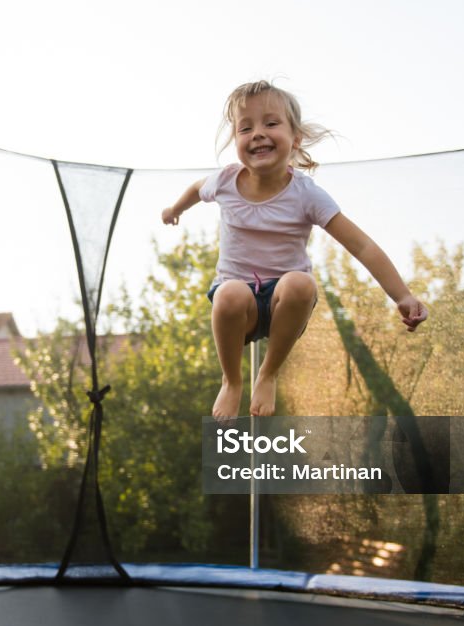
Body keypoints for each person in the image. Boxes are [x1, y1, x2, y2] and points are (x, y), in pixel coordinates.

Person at [162, 80, 427, 420]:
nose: (257, 133)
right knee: (229, 293)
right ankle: (231, 381)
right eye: (246, 128)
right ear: (236, 141)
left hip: (282, 305)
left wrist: (402, 295)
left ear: (296, 139)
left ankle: (268, 373)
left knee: (301, 283)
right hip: (239, 306)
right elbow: (197, 189)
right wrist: (175, 210)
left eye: (270, 123)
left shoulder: (306, 194)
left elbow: (361, 244)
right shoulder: (225, 181)